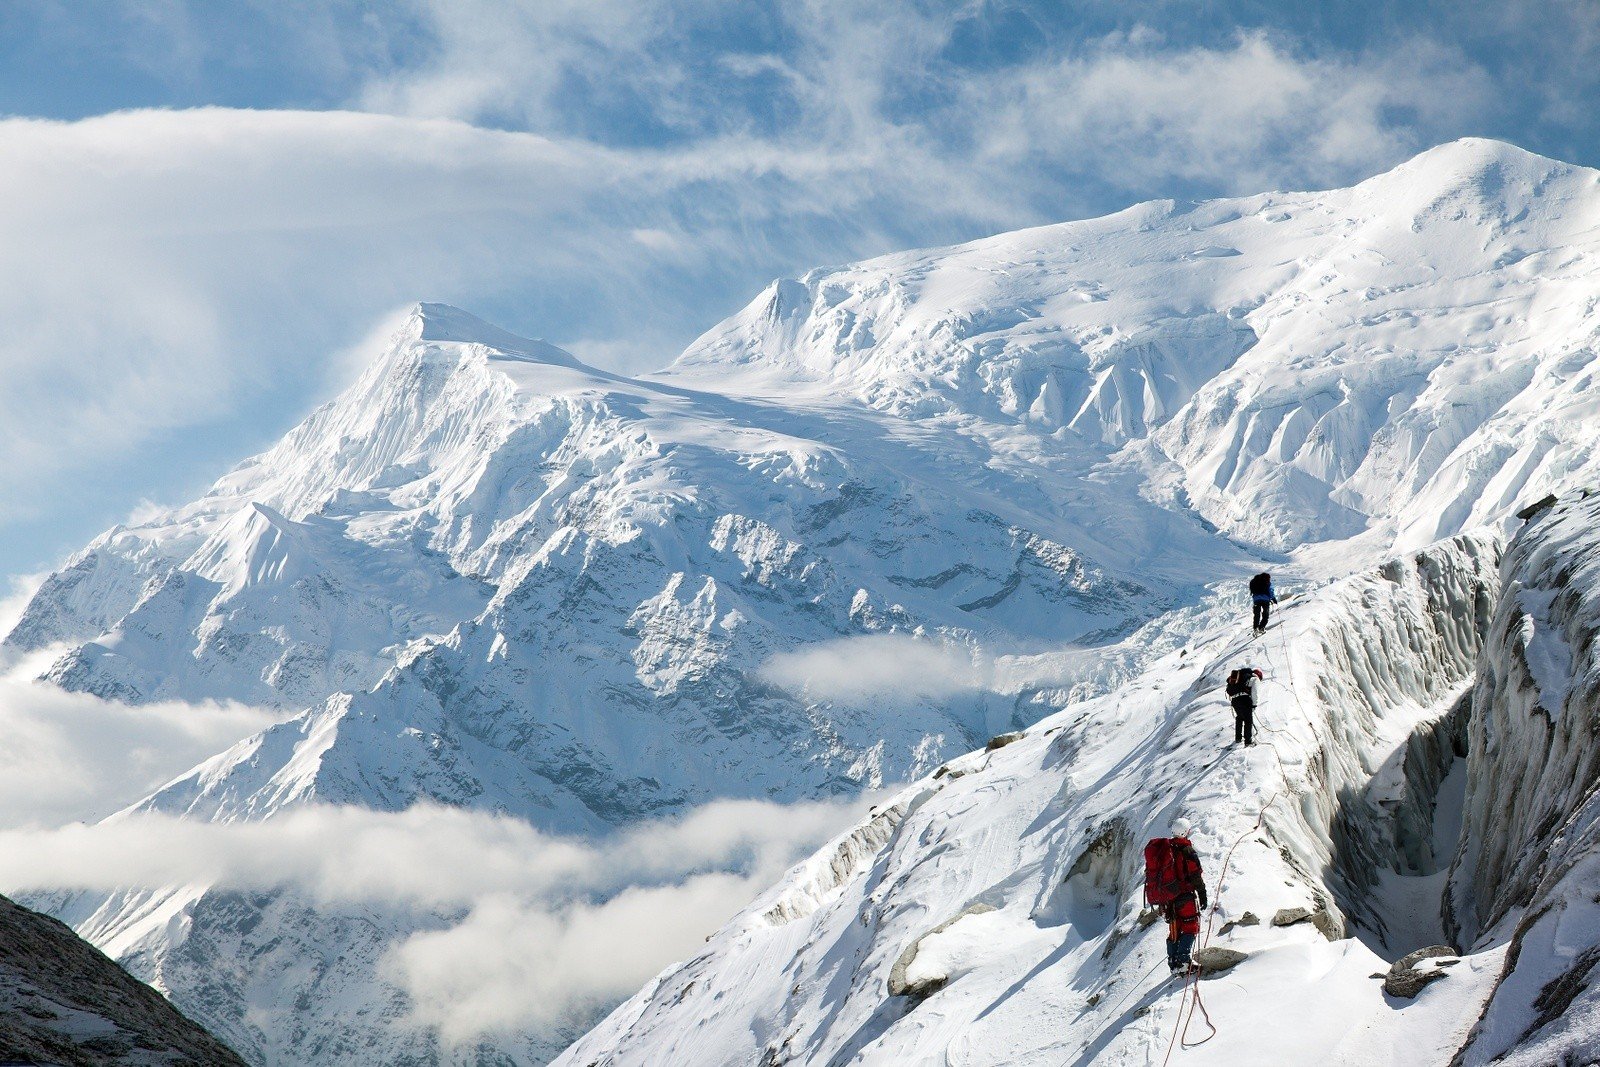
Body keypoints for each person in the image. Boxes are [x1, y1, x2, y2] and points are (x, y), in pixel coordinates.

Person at [1162, 818, 1207, 975]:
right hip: (1185, 896)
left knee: (1175, 928)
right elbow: (1195, 874)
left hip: (1169, 899)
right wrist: (1202, 894)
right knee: (1190, 925)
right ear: (1186, 832)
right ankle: (1183, 962)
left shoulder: (1166, 850)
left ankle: (1173, 962)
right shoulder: (1187, 851)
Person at [1227, 666, 1264, 746]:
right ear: (1259, 676)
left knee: (1239, 717)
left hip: (1235, 700)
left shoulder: (1243, 678)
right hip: (1244, 699)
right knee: (1248, 720)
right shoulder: (1255, 679)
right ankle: (1248, 741)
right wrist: (1254, 704)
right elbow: (1255, 692)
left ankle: (1238, 738)